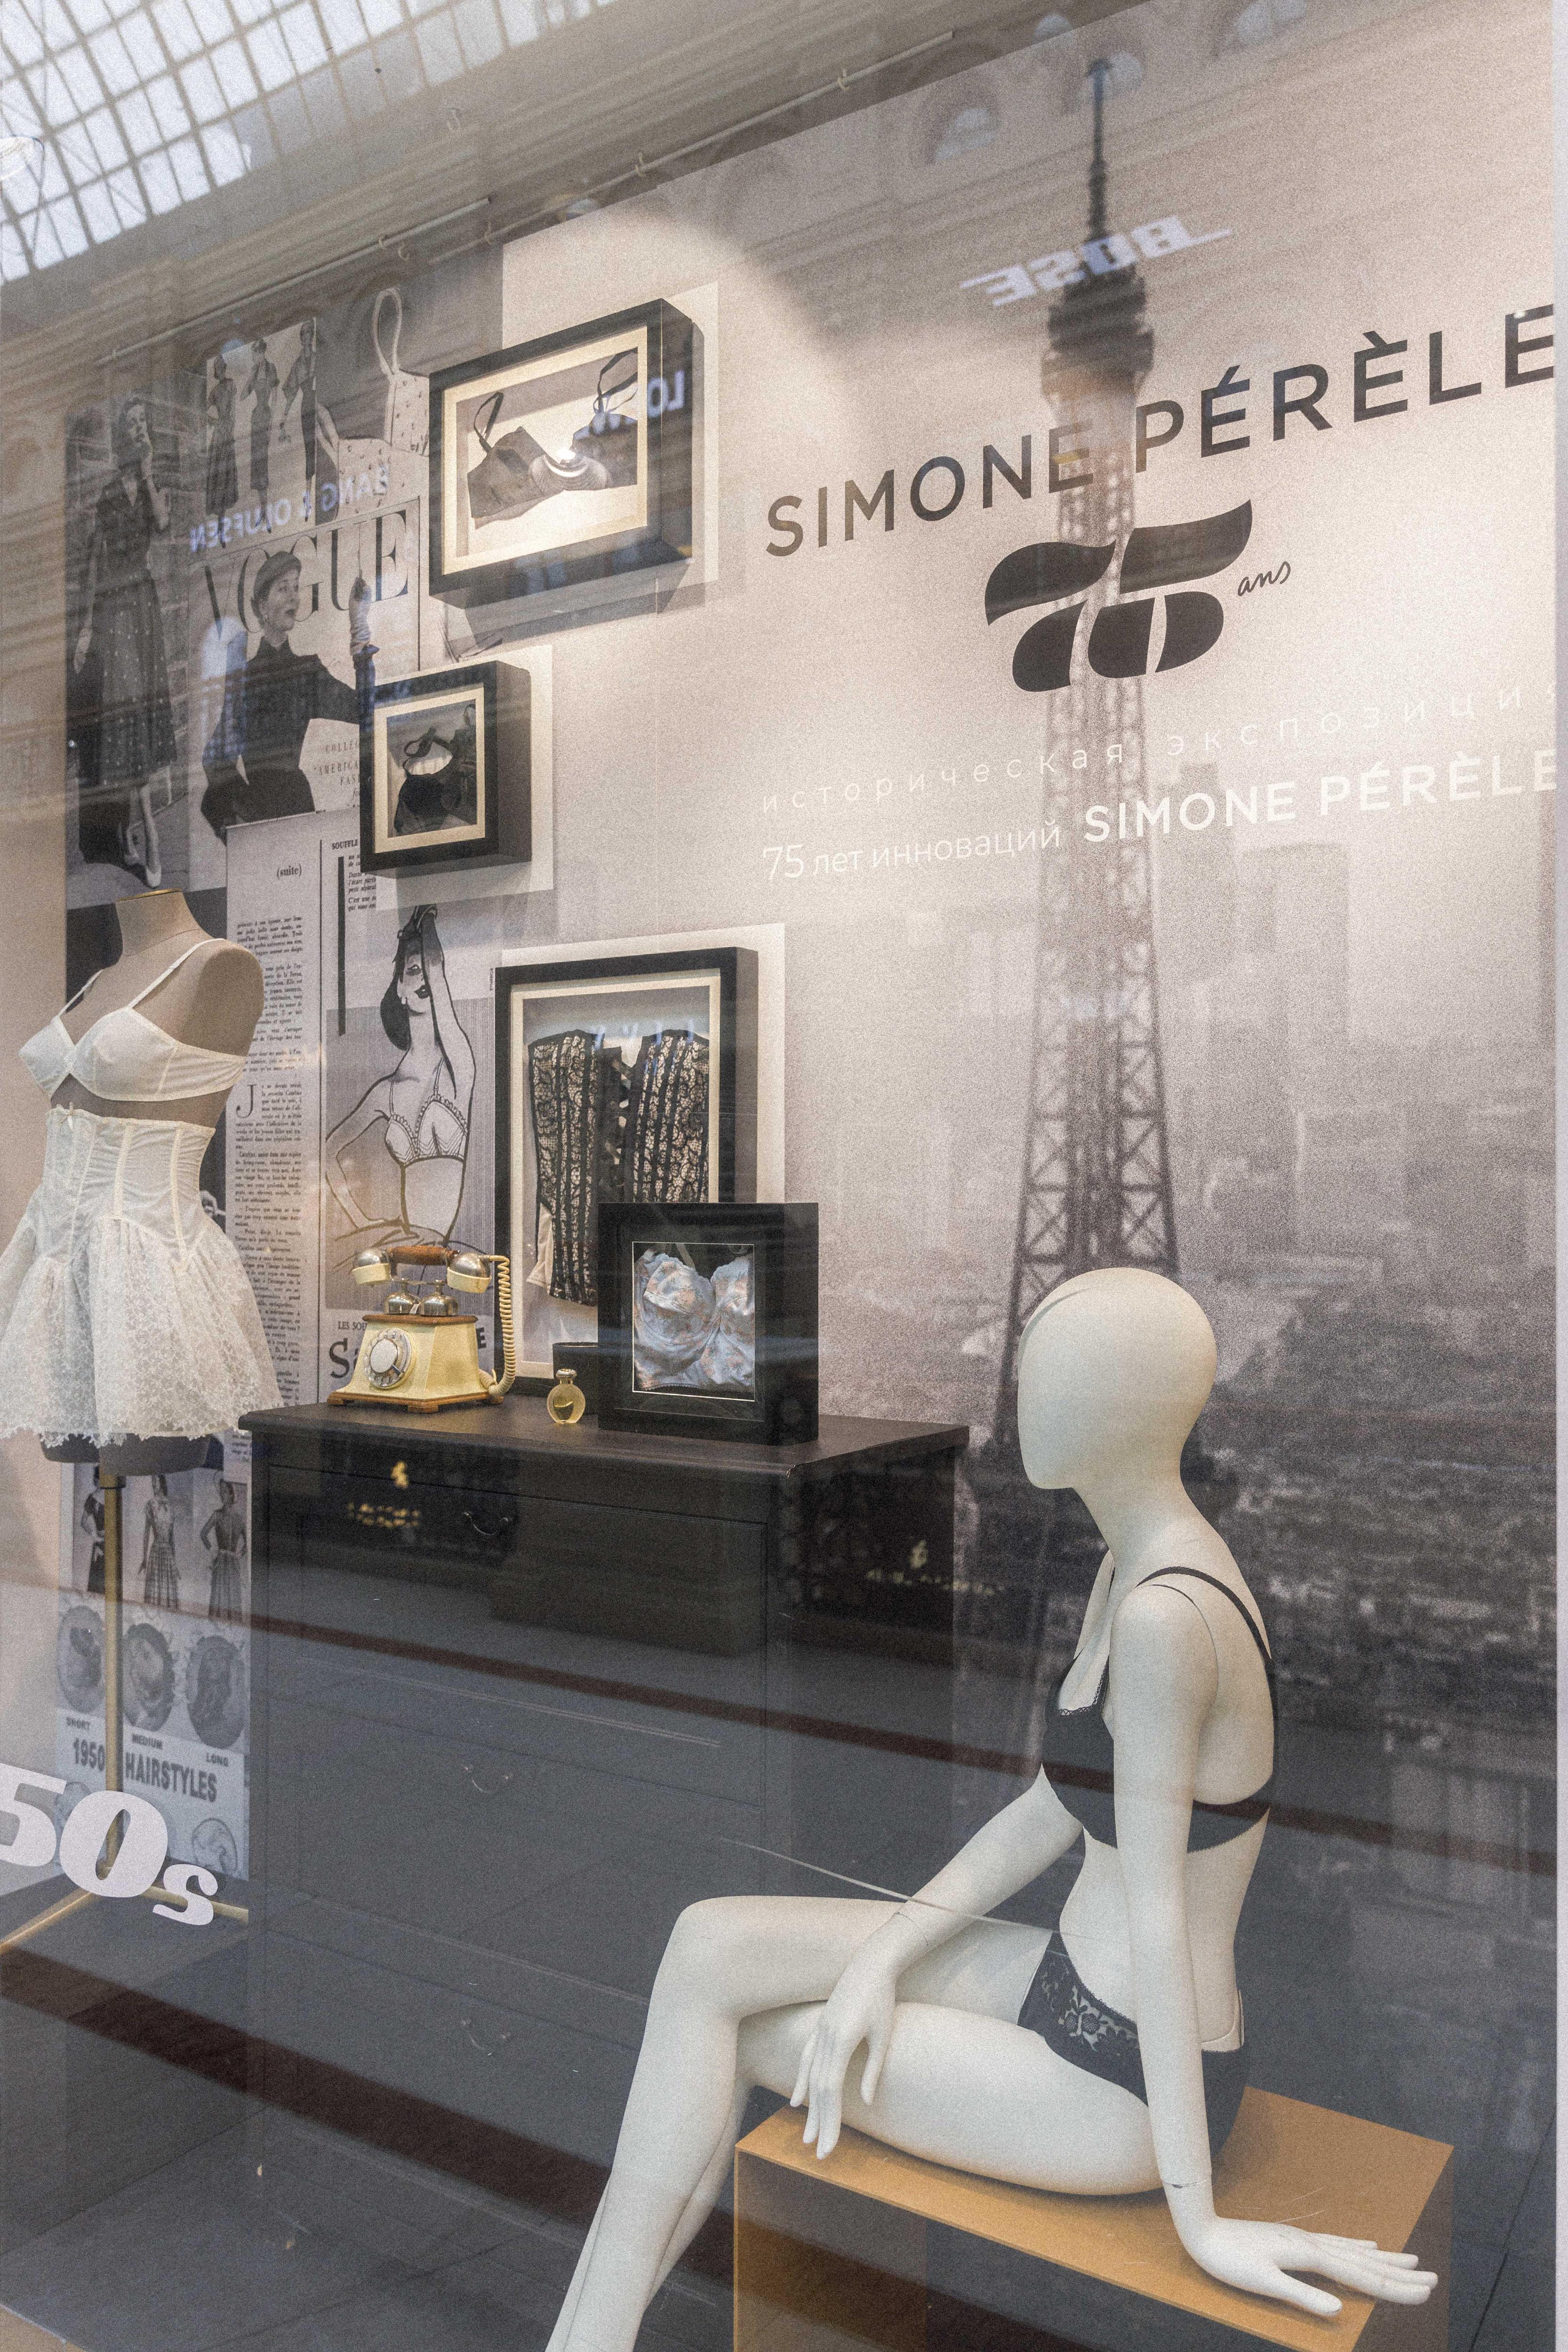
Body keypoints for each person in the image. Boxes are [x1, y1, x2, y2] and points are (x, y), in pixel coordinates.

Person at [542, 1270, 1438, 2350]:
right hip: (1067, 1982)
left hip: (1119, 2085)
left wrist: (1199, 2221)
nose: (1020, 1399)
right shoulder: (1130, 1566)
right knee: (705, 1946)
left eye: (1048, 1374)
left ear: (1122, 1403)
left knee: (737, 2034)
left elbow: (1156, 1914)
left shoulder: (1167, 1617)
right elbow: (1046, 1811)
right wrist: (876, 1959)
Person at [324, 906, 474, 1256]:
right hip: (401, 1245)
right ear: (401, 989)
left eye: (427, 972)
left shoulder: (458, 1066)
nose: (425, 980)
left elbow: (437, 969)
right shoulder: (386, 1092)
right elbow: (329, 1152)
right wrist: (362, 1222)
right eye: (413, 971)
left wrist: (427, 918)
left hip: (438, 1248)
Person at [199, 548, 374, 838]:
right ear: (262, 607)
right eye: (283, 589)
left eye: (296, 588)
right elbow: (214, 759)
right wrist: (245, 817)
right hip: (261, 810)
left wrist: (359, 630)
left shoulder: (306, 671)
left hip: (296, 804)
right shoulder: (245, 676)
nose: (294, 597)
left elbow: (365, 712)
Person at [72, 397, 175, 887]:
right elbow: (95, 563)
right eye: (131, 424)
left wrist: (150, 473)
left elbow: (163, 525)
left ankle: (136, 829)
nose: (139, 430)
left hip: (144, 608)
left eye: (143, 422)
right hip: (116, 612)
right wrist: (86, 628)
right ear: (121, 437)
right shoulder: (109, 495)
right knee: (126, 713)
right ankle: (144, 829)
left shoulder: (152, 485)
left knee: (142, 715)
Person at [199, 1478, 247, 1622]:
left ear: (232, 1494)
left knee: (233, 1596)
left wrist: (240, 1554)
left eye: (225, 1492)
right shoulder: (217, 1515)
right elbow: (203, 1534)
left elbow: (248, 1543)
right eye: (221, 1492)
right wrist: (212, 1551)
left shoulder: (240, 1518)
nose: (222, 1495)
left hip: (233, 1565)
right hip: (220, 1563)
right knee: (218, 1596)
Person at [244, 338, 279, 504]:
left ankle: (264, 503)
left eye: (255, 354)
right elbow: (243, 395)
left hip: (266, 416)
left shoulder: (271, 368)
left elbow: (275, 399)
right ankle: (260, 503)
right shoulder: (254, 370)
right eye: (253, 355)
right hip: (256, 417)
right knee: (256, 459)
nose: (253, 358)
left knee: (263, 458)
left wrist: (271, 425)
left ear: (261, 353)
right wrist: (250, 378)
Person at [205, 351, 238, 519]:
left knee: (226, 470)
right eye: (217, 369)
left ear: (224, 369)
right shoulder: (215, 391)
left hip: (227, 431)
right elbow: (203, 411)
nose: (219, 371)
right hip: (219, 433)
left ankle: (223, 514)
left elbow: (234, 411)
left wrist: (231, 429)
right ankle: (218, 510)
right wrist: (213, 421)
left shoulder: (231, 385)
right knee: (217, 469)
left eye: (221, 368)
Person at [139, 1472, 178, 1611]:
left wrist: (175, 1563)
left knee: (168, 1591)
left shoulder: (171, 1507)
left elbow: (172, 1537)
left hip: (168, 1554)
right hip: (156, 1552)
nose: (153, 1484)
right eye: (152, 1481)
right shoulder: (151, 1505)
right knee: (154, 1591)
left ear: (162, 1482)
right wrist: (145, 1559)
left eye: (155, 1481)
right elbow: (146, 1534)